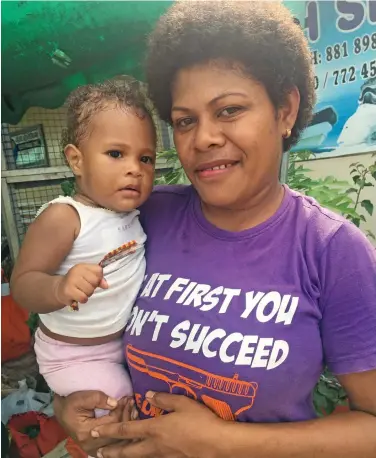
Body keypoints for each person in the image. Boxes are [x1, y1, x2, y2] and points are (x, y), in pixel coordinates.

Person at [54, 2, 376, 457]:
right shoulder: (144, 217)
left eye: (228, 110)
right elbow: (76, 328)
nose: (203, 138)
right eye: (185, 121)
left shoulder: (331, 250)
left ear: (285, 110)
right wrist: (68, 400)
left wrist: (224, 443)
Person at [10, 81, 156, 414]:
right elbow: (23, 283)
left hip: (118, 346)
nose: (135, 168)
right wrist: (60, 287)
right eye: (116, 154)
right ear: (76, 161)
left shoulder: (132, 214)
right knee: (120, 404)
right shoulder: (66, 217)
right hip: (71, 356)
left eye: (145, 158)